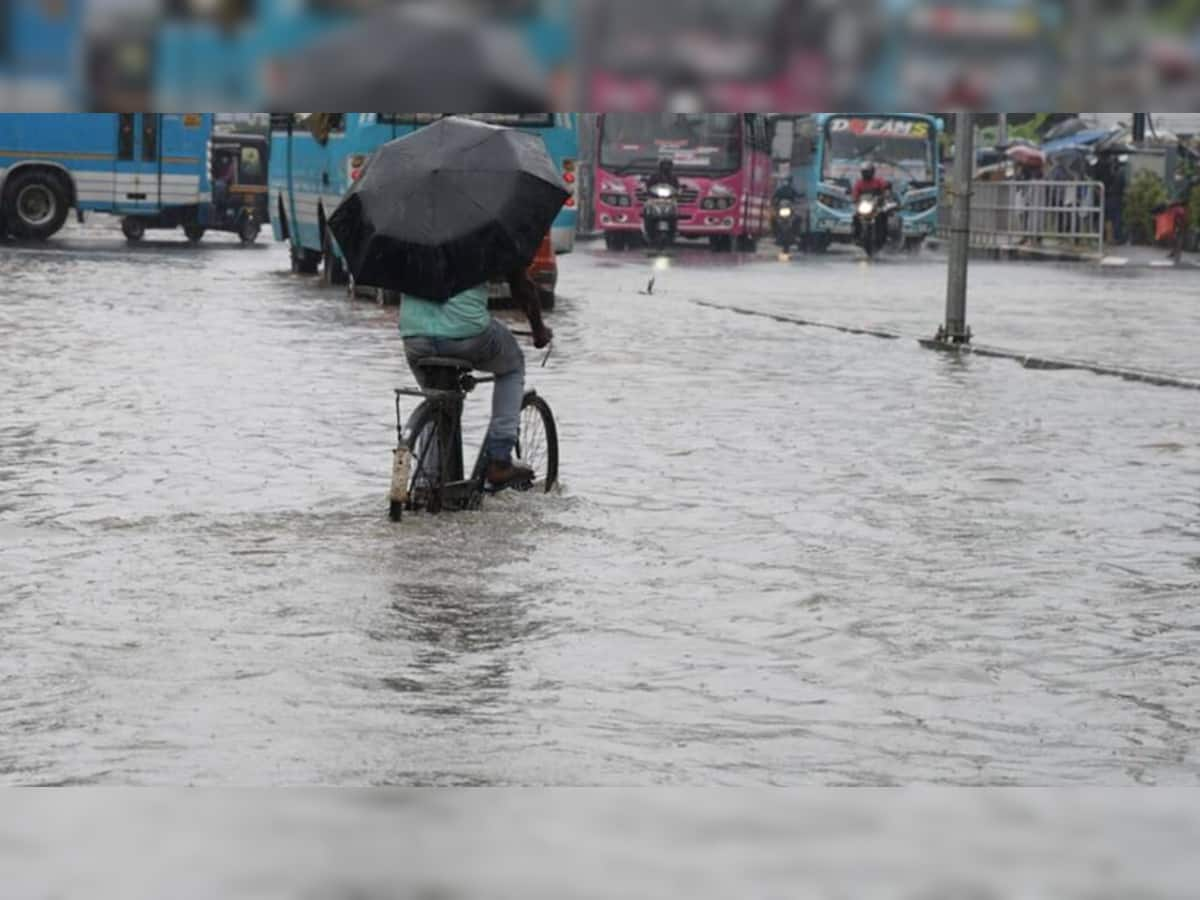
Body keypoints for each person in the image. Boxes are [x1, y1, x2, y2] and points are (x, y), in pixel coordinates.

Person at [400, 268, 553, 488]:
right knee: (512, 365)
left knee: (438, 402)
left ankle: (431, 481)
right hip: (467, 334)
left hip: (415, 337)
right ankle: (500, 458)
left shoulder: (412, 236)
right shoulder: (481, 235)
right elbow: (522, 286)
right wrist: (538, 329)